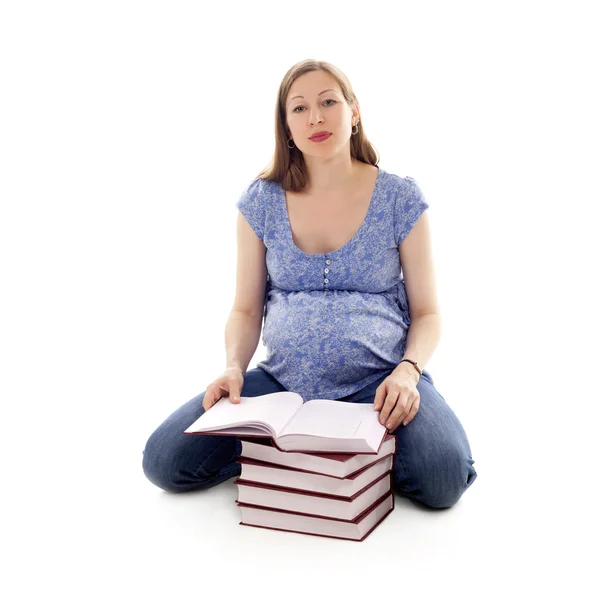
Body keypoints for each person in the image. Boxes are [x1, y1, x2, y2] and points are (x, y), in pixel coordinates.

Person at [142, 59, 478, 509]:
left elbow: (428, 313)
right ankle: (312, 450)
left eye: (328, 102)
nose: (315, 117)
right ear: (286, 126)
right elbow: (245, 308)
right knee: (164, 459)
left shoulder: (399, 197)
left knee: (443, 477)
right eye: (299, 109)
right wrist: (233, 368)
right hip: (281, 385)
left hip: (380, 384)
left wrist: (408, 371)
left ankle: (346, 453)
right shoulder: (260, 200)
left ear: (353, 111)